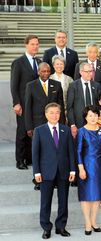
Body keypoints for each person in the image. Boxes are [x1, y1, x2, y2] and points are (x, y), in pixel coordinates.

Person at [32, 103, 75, 239]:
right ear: (46, 114)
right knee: (46, 201)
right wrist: (37, 172)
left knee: (63, 201)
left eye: (57, 112)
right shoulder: (39, 130)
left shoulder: (66, 130)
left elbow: (71, 152)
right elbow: (35, 153)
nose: (54, 115)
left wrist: (73, 170)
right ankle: (46, 227)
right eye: (51, 112)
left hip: (64, 170)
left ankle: (61, 226)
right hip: (46, 172)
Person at [76, 105, 101, 235]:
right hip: (85, 166)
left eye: (95, 115)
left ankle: (94, 221)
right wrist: (81, 168)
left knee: (97, 196)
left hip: (98, 167)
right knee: (86, 196)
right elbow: (78, 151)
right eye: (90, 115)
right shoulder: (81, 131)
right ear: (85, 117)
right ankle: (87, 223)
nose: (93, 117)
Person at [10, 34, 41, 170]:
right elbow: (14, 85)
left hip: (37, 104)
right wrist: (16, 103)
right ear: (26, 45)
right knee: (22, 131)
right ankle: (20, 160)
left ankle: (29, 158)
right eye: (32, 44)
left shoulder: (40, 62)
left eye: (37, 44)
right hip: (23, 104)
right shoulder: (18, 62)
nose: (35, 46)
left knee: (33, 131)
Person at [25, 62, 66, 139]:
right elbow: (28, 107)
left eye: (48, 71)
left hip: (54, 122)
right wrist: (29, 127)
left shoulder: (57, 85)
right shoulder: (31, 86)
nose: (46, 73)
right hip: (37, 123)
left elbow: (61, 106)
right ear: (38, 72)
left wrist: (62, 123)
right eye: (44, 71)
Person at [67, 63, 101, 138]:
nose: (90, 74)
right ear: (81, 72)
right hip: (79, 123)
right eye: (87, 72)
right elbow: (70, 107)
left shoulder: (96, 85)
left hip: (94, 122)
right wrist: (72, 125)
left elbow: (99, 105)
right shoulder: (73, 86)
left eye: (91, 71)